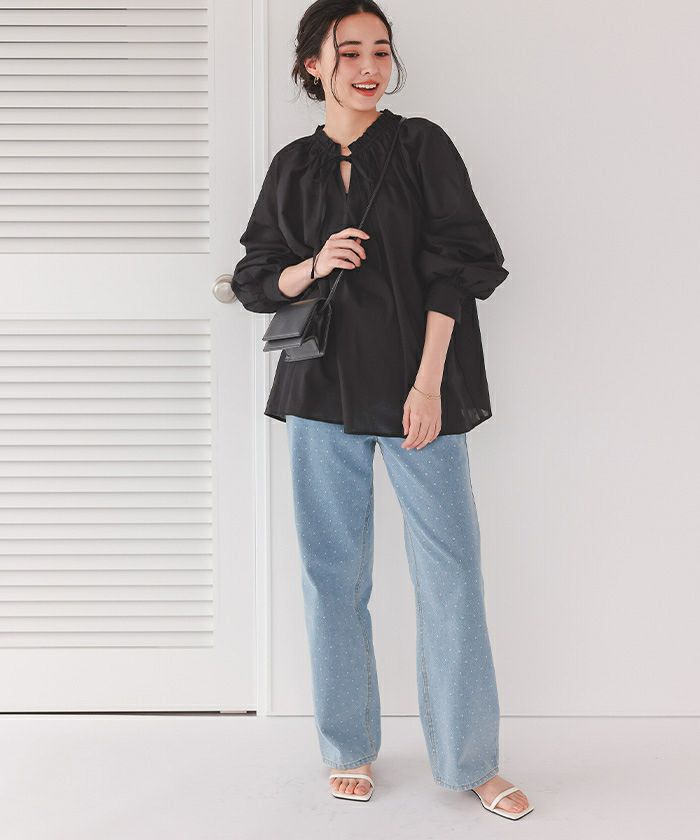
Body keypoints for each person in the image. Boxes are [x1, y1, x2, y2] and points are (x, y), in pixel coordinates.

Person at [231, 0, 533, 821]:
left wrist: (428, 384)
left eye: (381, 51)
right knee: (332, 575)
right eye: (350, 52)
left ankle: (471, 761)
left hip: (416, 392)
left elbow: (460, 266)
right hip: (319, 391)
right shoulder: (293, 166)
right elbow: (256, 277)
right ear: (313, 65)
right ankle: (348, 748)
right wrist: (311, 265)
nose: (370, 67)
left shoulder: (421, 145)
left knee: (451, 573)